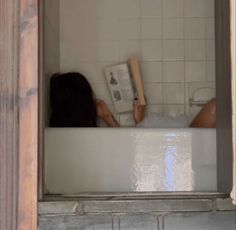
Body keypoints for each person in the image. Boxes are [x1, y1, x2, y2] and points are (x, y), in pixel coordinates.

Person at [50, 72, 145, 127]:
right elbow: (128, 154)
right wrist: (139, 120)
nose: (93, 99)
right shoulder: (84, 139)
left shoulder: (53, 134)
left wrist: (107, 117)